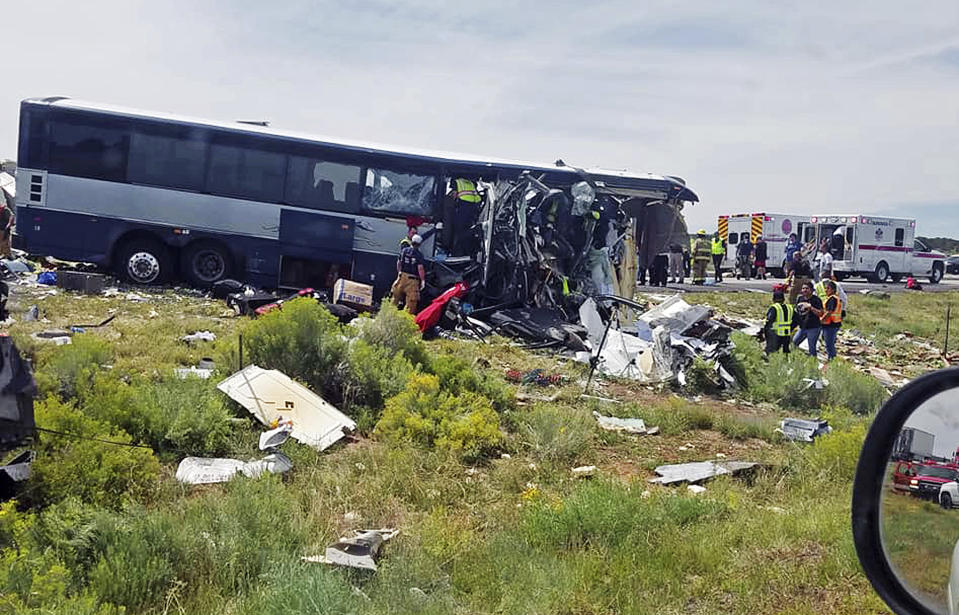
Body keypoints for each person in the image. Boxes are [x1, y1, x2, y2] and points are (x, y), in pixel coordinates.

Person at [807, 279, 842, 361]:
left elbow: (829, 312)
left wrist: (821, 320)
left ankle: (832, 360)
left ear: (833, 290)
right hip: (833, 324)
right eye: (825, 288)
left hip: (830, 324)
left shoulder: (832, 299)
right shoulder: (833, 298)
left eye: (828, 288)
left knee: (829, 344)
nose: (826, 290)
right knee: (829, 343)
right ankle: (832, 358)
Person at [392, 234, 426, 314]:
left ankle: (389, 316)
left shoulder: (404, 251)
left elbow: (399, 262)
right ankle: (405, 320)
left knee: (395, 298)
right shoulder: (419, 254)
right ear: (419, 244)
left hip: (402, 277)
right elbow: (420, 268)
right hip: (412, 280)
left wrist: (399, 272)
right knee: (411, 303)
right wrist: (423, 280)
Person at [793, 281, 823, 357]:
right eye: (803, 288)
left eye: (807, 288)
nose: (804, 290)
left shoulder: (816, 300)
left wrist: (811, 307)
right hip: (802, 327)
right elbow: (797, 311)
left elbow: (821, 313)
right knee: (794, 342)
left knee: (812, 348)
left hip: (814, 327)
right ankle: (796, 358)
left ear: (811, 290)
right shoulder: (800, 298)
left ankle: (813, 364)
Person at [762, 290, 794, 354]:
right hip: (787, 334)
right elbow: (797, 320)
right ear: (784, 299)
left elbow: (769, 321)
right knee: (786, 353)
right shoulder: (790, 307)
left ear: (773, 299)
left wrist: (765, 331)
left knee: (773, 353)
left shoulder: (774, 308)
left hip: (776, 334)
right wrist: (790, 328)